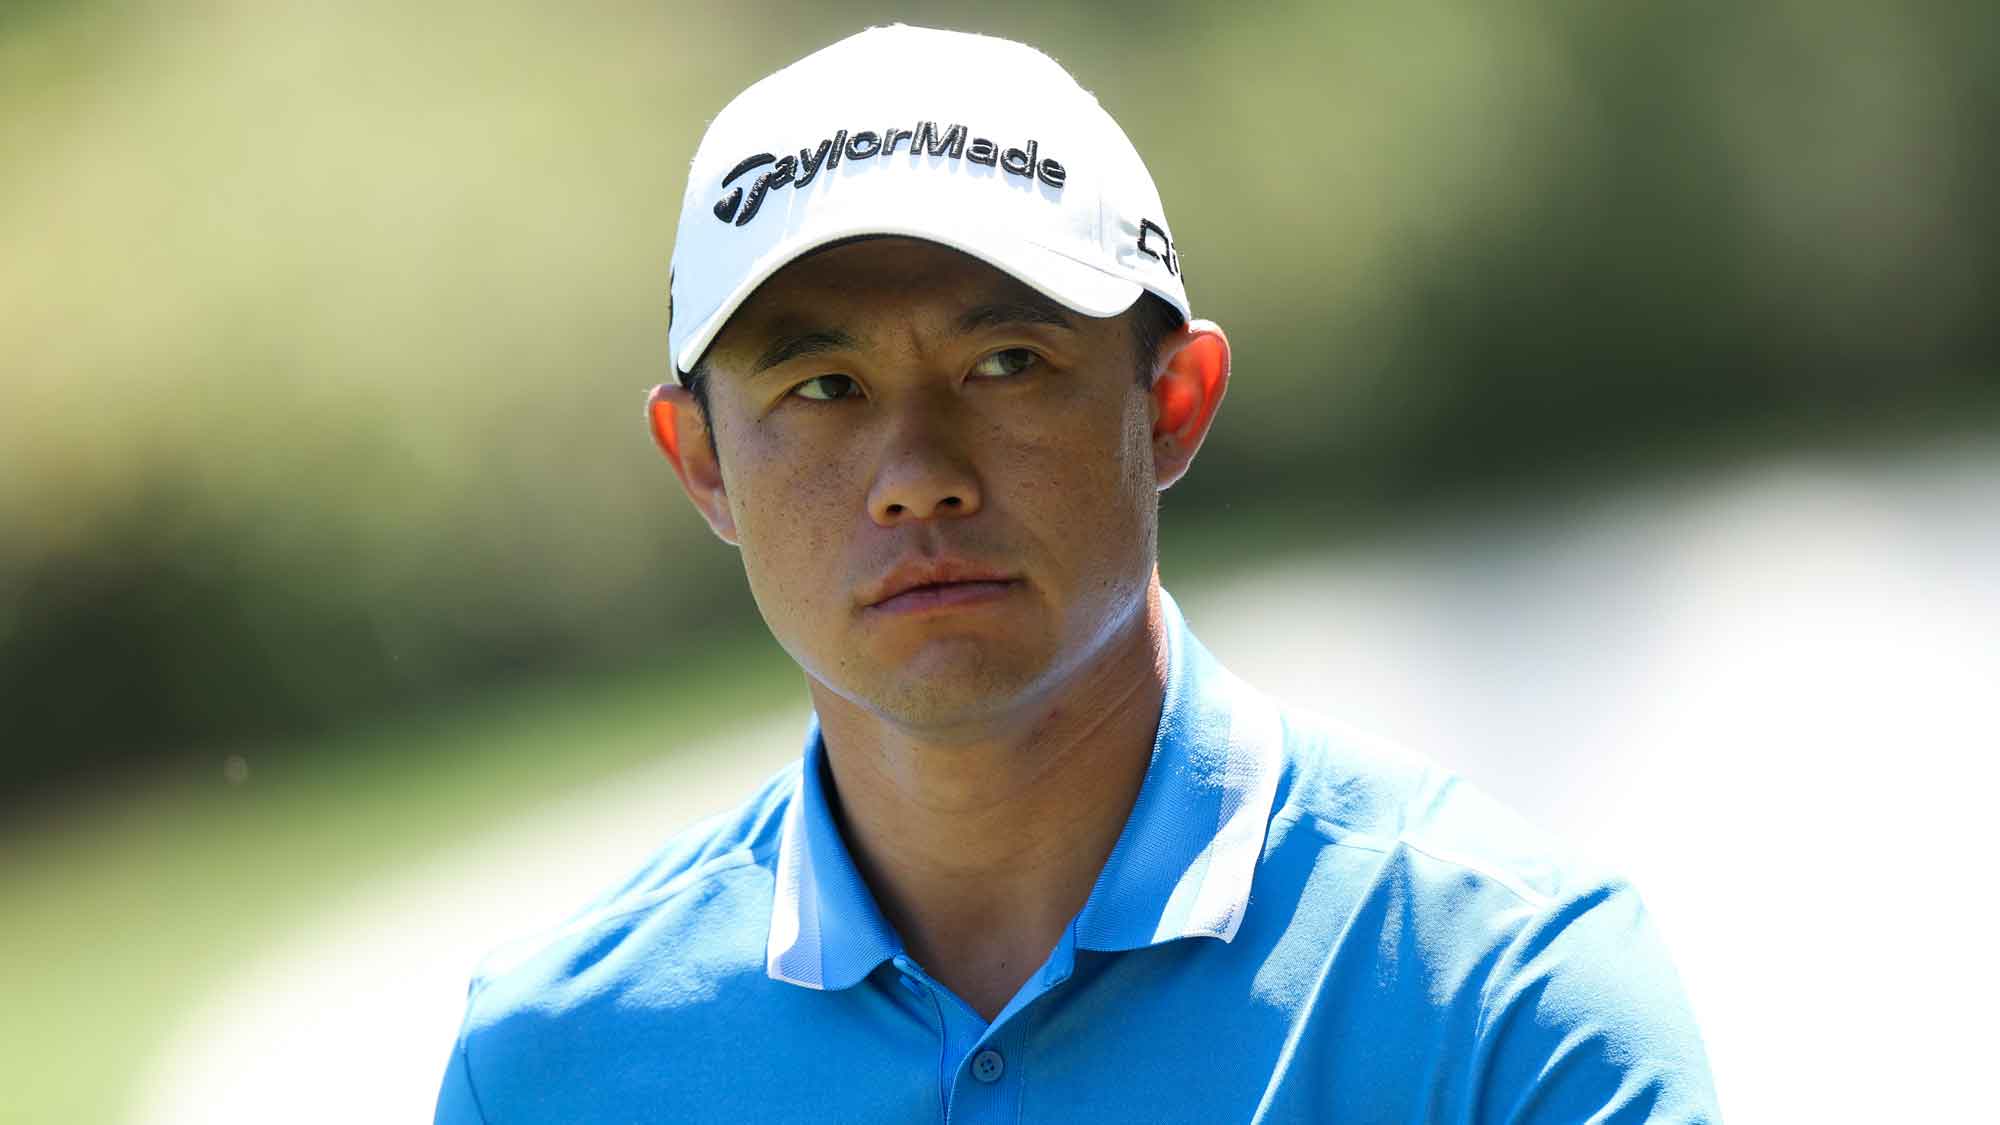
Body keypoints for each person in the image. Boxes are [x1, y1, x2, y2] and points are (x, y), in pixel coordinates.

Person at [434, 24, 1719, 1123]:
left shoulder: (1505, 999)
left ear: (1171, 400)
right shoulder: (550, 1070)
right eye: (822, 387)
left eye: (1006, 364)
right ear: (700, 461)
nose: (915, 473)